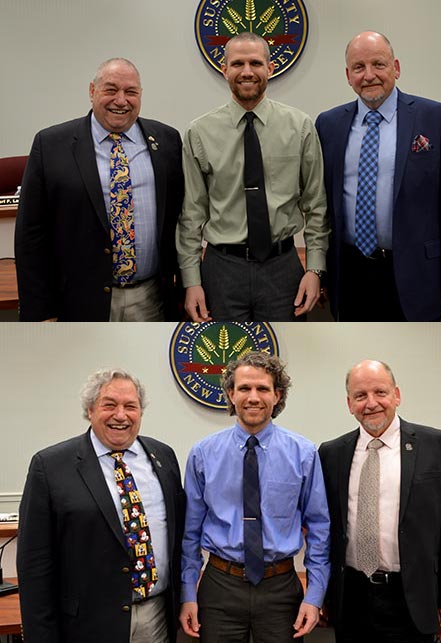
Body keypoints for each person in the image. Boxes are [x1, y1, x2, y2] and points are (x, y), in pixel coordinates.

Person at [17, 368, 186, 643]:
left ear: (140, 412)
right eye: (109, 405)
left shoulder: (163, 457)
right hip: (87, 625)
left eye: (130, 406)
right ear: (90, 409)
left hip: (156, 618)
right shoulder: (50, 466)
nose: (121, 415)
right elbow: (34, 566)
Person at [316, 31, 441, 321]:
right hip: (349, 272)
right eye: (359, 68)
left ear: (396, 68)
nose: (369, 75)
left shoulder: (435, 118)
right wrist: (321, 272)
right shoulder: (328, 124)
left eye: (379, 64)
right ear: (348, 75)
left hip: (416, 274)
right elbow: (322, 207)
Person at [15, 58, 184, 321]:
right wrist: (40, 311)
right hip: (78, 301)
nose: (121, 100)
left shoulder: (167, 140)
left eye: (131, 92)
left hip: (152, 299)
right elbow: (30, 236)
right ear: (92, 91)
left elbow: (181, 218)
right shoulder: (50, 145)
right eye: (110, 89)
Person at [176, 32, 329, 321]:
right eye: (238, 64)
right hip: (222, 270)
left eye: (256, 63)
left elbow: (316, 205)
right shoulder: (199, 132)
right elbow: (191, 215)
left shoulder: (300, 127)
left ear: (270, 68)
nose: (247, 72)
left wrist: (315, 269)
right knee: (226, 361)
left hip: (282, 268)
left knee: (284, 357)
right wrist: (191, 280)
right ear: (225, 70)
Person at [180, 352, 330, 642]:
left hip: (281, 590)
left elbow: (319, 528)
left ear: (277, 395)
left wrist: (314, 596)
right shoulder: (202, 454)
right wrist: (188, 593)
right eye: (244, 388)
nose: (253, 397)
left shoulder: (304, 453)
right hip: (220, 587)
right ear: (230, 394)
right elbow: (190, 533)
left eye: (262, 389)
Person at [318, 360, 441, 642]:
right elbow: (325, 530)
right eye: (360, 396)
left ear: (396, 395)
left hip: (412, 597)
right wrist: (323, 594)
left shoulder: (436, 445)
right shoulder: (331, 453)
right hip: (351, 597)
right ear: (349, 404)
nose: (371, 403)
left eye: (380, 393)